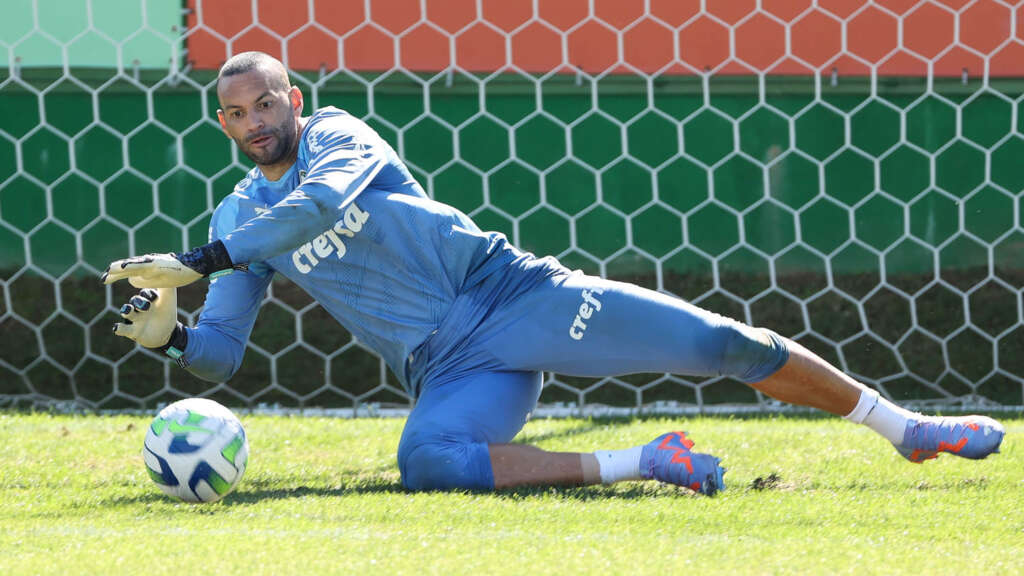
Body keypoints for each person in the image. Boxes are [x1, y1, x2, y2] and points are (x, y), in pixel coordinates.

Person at [103, 52, 1004, 495]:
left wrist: (191, 262)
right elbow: (222, 355)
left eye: (268, 102)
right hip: (448, 370)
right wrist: (174, 335)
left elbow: (318, 208)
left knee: (722, 343)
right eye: (237, 112)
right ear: (221, 126)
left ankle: (906, 425)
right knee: (426, 463)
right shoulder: (231, 218)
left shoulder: (339, 134)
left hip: (509, 296)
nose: (257, 119)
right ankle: (645, 460)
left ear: (293, 99)